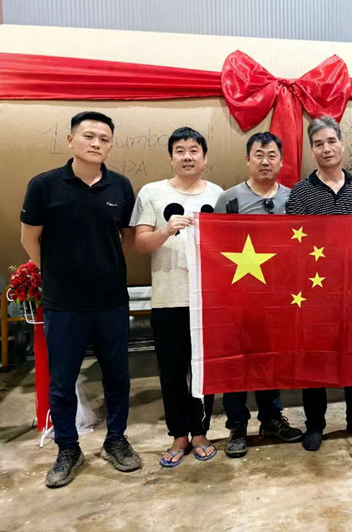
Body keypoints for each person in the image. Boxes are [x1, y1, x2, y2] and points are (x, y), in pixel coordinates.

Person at [20, 111, 142, 488]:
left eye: (104, 139)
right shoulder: (44, 186)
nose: (96, 144)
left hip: (111, 301)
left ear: (110, 146)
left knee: (117, 377)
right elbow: (29, 238)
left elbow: (126, 238)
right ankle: (68, 449)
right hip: (64, 305)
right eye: (88, 136)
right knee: (62, 381)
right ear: (71, 140)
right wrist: (58, 274)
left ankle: (116, 440)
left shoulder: (121, 186)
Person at [131, 127, 223, 467]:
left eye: (194, 150)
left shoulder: (217, 194)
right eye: (180, 150)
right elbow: (140, 244)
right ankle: (178, 435)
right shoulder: (151, 192)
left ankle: (200, 432)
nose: (187, 156)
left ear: (204, 158)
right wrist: (167, 230)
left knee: (202, 371)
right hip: (168, 298)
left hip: (206, 300)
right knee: (171, 371)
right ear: (171, 157)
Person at [286, 116, 352, 452]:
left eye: (331, 141)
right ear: (312, 150)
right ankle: (315, 425)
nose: (326, 149)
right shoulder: (301, 192)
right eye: (318, 144)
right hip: (315, 291)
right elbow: (294, 244)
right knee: (316, 359)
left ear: (342, 144)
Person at [214, 131, 304, 457]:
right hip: (238, 298)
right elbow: (214, 248)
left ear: (281, 161)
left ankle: (271, 418)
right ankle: (237, 425)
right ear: (247, 160)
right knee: (237, 362)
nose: (265, 162)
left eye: (271, 156)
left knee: (270, 359)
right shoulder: (229, 200)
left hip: (279, 297)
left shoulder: (294, 200)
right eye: (259, 155)